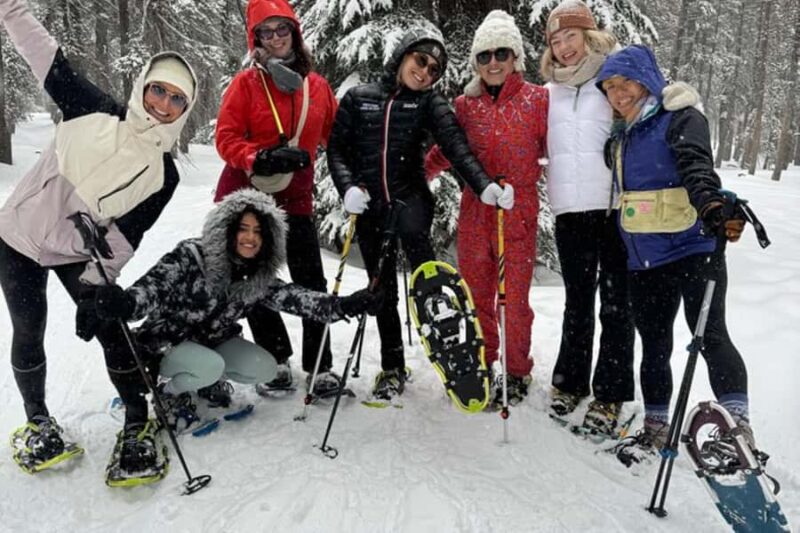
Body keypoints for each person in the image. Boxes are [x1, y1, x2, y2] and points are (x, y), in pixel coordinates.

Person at [0, 0, 197, 475]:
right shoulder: (92, 108)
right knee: (29, 327)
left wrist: (95, 287)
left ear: (185, 109)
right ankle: (38, 421)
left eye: (177, 99)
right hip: (17, 237)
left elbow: (126, 236)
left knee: (112, 326)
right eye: (158, 89)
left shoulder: (163, 174)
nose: (163, 104)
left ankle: (137, 422)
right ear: (143, 86)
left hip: (75, 251)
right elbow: (44, 53)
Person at [90, 189, 380, 468]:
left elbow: (293, 298)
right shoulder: (191, 255)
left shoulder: (257, 275)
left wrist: (344, 306)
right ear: (227, 230)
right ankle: (168, 393)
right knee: (209, 366)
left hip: (214, 341)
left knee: (264, 368)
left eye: (258, 231)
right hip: (167, 343)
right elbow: (152, 288)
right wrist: (126, 303)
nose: (250, 238)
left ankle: (204, 381)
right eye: (243, 229)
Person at [328, 28, 513, 402]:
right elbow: (337, 150)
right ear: (402, 56)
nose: (425, 72)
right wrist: (347, 188)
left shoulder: (430, 103)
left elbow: (457, 148)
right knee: (381, 291)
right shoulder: (358, 98)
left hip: (410, 200)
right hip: (370, 206)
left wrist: (483, 186)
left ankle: (455, 362)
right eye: (420, 61)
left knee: (430, 284)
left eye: (434, 70)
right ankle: (392, 367)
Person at [595, 45, 752, 464]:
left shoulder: (681, 117)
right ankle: (655, 428)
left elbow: (696, 167)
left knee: (711, 335)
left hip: (693, 247)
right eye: (610, 87)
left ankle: (739, 431)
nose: (618, 93)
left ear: (647, 79)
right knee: (654, 344)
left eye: (626, 83)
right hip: (644, 256)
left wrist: (712, 206)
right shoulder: (619, 137)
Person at [214, 0, 340, 398]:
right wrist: (259, 157)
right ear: (255, 39)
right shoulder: (246, 84)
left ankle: (319, 366)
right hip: (247, 196)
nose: (275, 38)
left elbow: (337, 139)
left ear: (295, 32)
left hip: (296, 197)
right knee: (252, 281)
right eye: (265, 32)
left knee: (311, 279)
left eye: (281, 29)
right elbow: (225, 138)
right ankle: (276, 360)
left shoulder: (317, 87)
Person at [425, 11, 548, 407]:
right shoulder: (465, 104)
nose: (493, 63)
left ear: (516, 57)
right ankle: (482, 362)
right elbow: (448, 149)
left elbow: (558, 150)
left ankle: (516, 370)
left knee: (514, 300)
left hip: (518, 209)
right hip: (476, 209)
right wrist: (415, 177)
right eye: (484, 55)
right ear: (475, 62)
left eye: (501, 53)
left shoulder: (538, 99)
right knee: (476, 294)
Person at [538, 0, 635, 434]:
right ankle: (569, 382)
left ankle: (610, 394)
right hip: (569, 211)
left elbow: (649, 111)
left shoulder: (612, 81)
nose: (564, 47)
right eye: (556, 40)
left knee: (616, 304)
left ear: (589, 36)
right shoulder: (548, 93)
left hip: (613, 208)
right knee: (577, 300)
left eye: (571, 36)